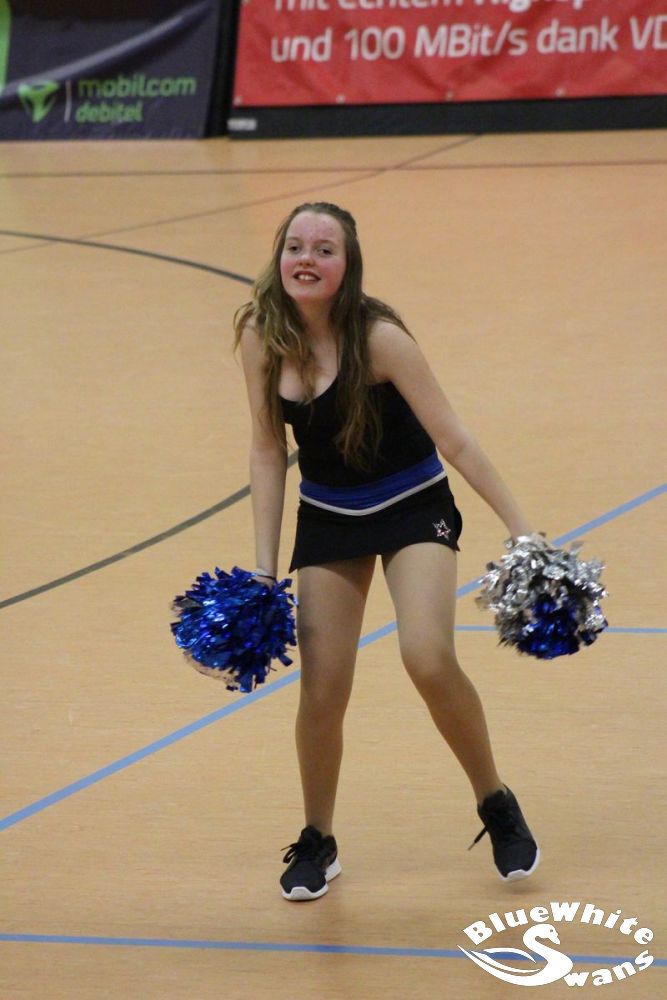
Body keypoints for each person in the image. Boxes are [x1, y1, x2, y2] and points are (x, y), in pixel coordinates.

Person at [235, 201, 539, 902]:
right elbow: (266, 450)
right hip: (329, 516)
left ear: (348, 266)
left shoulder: (380, 339)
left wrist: (521, 529)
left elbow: (454, 437)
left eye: (325, 249)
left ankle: (495, 802)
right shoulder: (261, 335)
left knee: (426, 655)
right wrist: (262, 569)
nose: (306, 258)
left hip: (412, 506)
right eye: (295, 246)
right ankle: (318, 839)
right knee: (321, 688)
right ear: (279, 257)